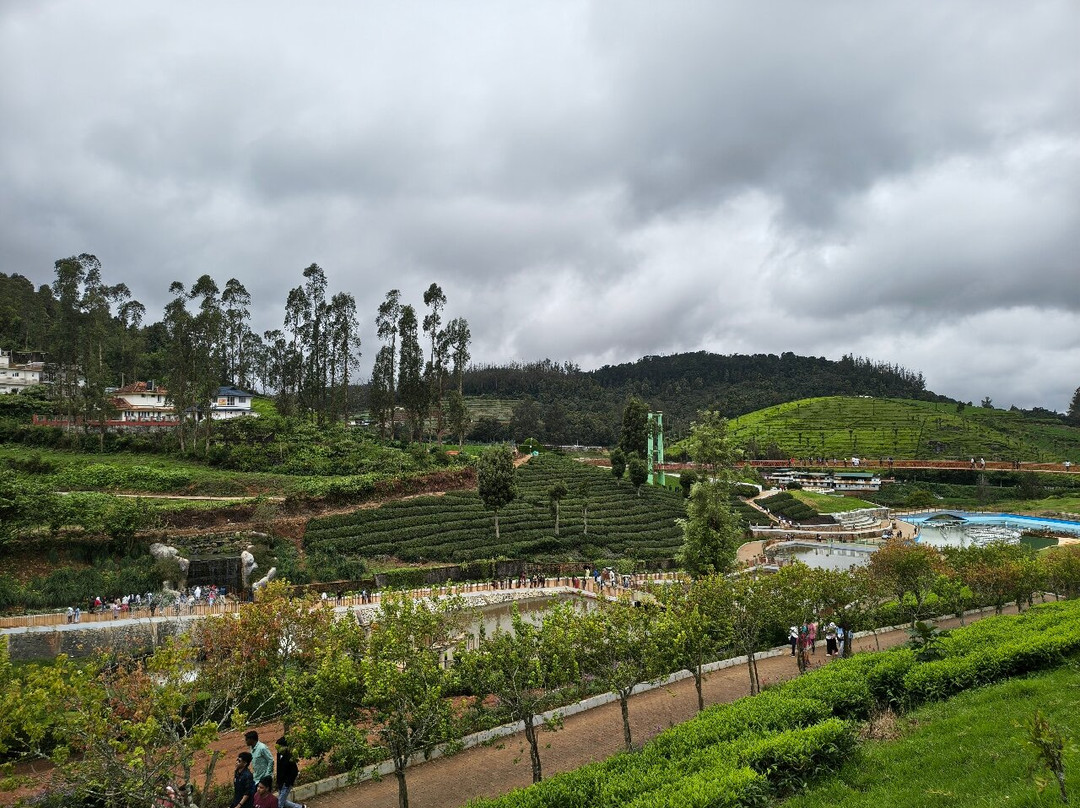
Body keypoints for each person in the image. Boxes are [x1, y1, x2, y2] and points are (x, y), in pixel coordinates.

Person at [275, 737, 306, 808]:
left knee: (280, 804)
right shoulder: (279, 754)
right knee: (283, 801)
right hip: (280, 783)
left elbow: (294, 772)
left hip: (286, 784)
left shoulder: (290, 757)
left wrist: (287, 783)